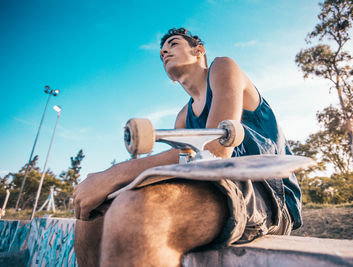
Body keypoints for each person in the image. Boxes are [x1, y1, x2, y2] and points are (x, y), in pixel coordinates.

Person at [73, 27, 302, 267]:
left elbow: (216, 150)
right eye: (162, 53)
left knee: (138, 213)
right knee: (95, 212)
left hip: (269, 194)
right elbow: (183, 163)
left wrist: (113, 175)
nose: (165, 52)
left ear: (198, 50)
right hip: (212, 187)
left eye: (173, 44)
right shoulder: (183, 117)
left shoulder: (222, 67)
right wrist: (115, 187)